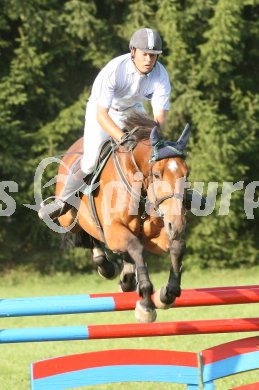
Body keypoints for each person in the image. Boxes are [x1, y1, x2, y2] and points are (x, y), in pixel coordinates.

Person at [38, 27, 171, 221]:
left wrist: (152, 140)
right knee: (91, 161)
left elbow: (159, 119)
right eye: (145, 54)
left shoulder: (161, 75)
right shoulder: (115, 69)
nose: (149, 60)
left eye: (153, 55)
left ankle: (177, 194)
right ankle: (61, 202)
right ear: (133, 51)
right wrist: (122, 138)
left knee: (154, 151)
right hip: (102, 112)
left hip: (133, 111)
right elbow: (101, 115)